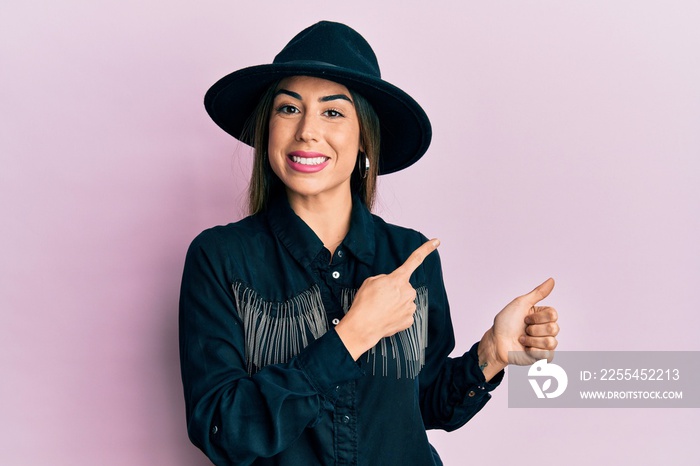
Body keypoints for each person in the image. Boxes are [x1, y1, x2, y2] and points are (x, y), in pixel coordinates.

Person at [179, 21, 559, 466]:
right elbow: (222, 429)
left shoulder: (409, 257)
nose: (306, 131)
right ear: (268, 129)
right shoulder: (221, 258)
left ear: (365, 140)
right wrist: (351, 336)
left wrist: (491, 354)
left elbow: (419, 408)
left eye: (333, 112)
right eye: (288, 109)